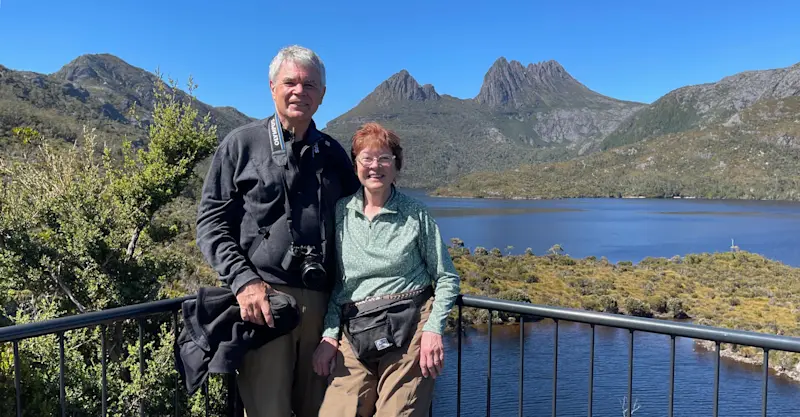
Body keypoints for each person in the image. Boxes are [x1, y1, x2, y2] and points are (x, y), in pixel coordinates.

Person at [195, 45, 360, 417]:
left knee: (321, 409)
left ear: (322, 94)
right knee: (267, 409)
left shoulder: (333, 154)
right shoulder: (241, 144)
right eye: (291, 82)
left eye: (310, 84)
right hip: (264, 302)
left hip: (322, 308)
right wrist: (244, 282)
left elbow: (359, 224)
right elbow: (210, 222)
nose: (300, 90)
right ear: (272, 87)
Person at [312, 122, 461, 416]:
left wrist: (433, 329)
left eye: (384, 159)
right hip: (357, 329)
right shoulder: (342, 213)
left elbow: (447, 277)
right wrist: (330, 335)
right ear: (355, 165)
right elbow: (340, 286)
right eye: (366, 158)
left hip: (410, 327)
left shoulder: (415, 214)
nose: (374, 166)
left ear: (396, 166)